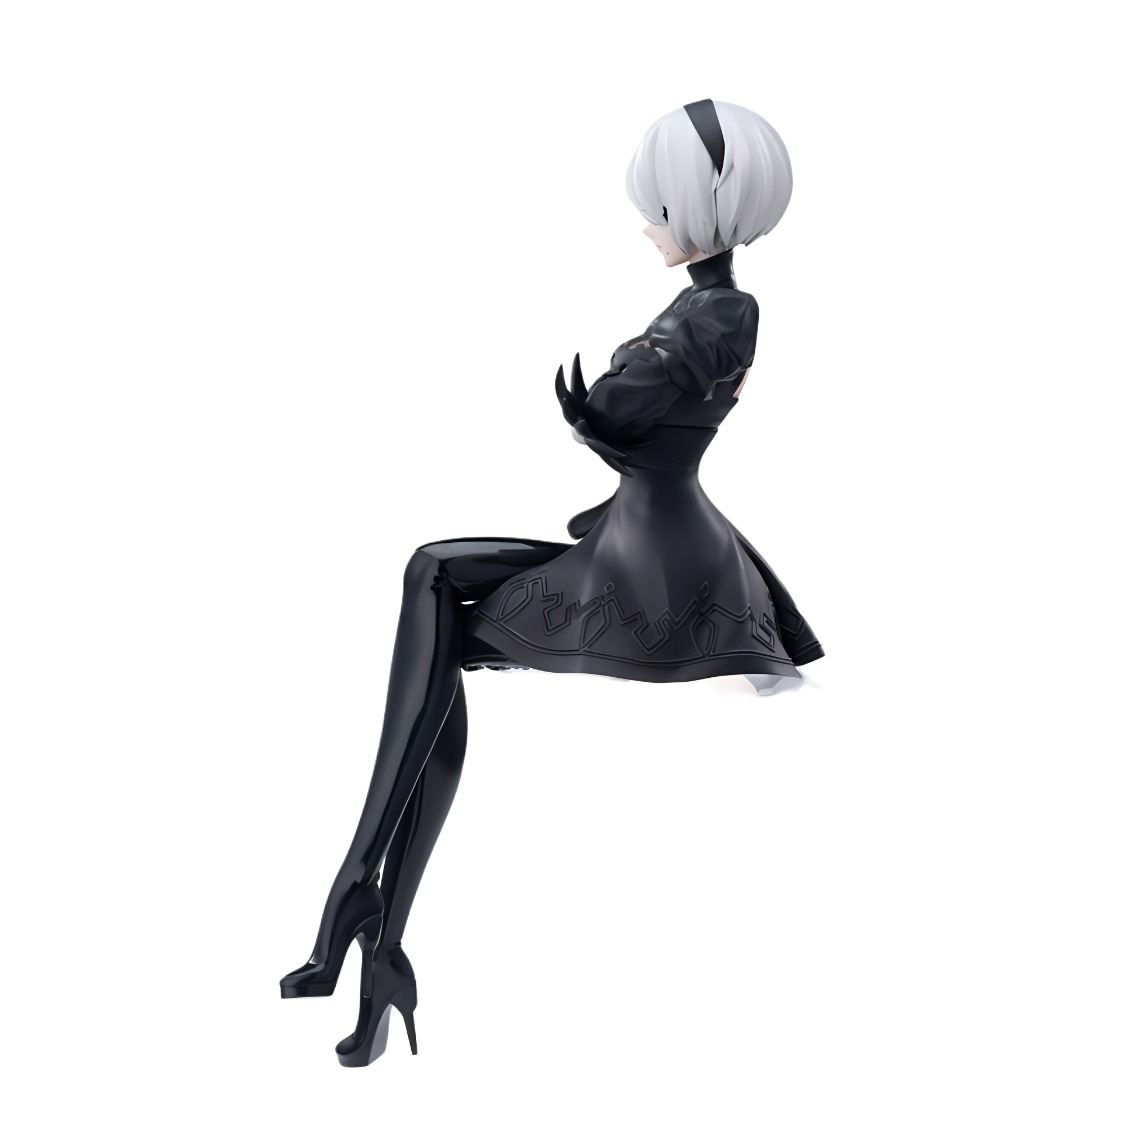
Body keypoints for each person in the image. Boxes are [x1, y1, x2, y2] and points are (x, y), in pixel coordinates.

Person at [280, 99, 824, 1066]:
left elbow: (615, 406)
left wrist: (595, 405)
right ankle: (380, 945)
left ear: (703, 206)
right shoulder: (709, 310)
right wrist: (603, 405)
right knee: (437, 623)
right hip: (640, 531)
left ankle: (356, 891)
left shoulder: (721, 309)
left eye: (659, 209)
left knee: (432, 579)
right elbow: (626, 409)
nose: (647, 226)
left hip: (653, 562)